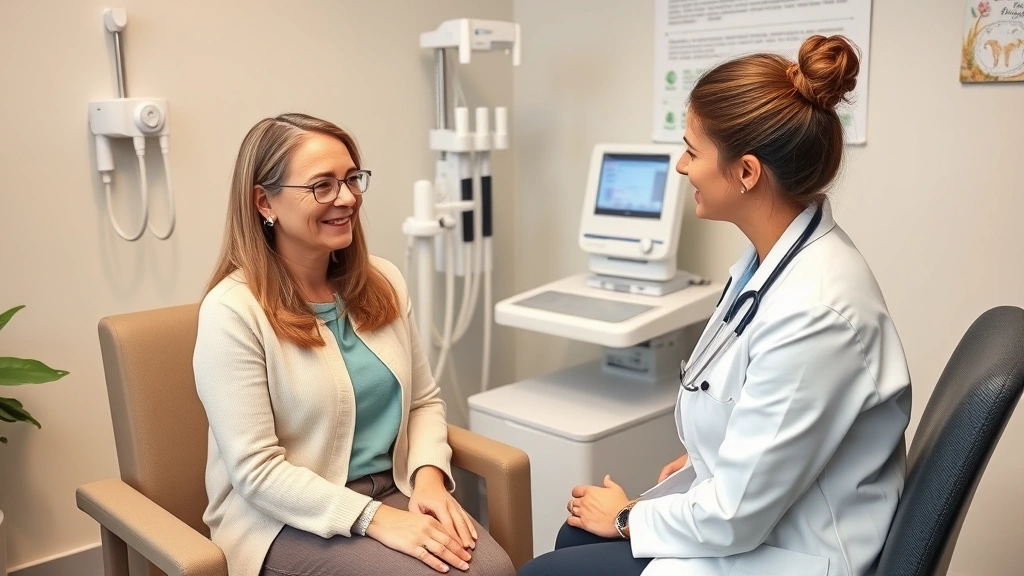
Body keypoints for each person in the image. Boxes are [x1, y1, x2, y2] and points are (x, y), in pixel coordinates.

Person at [518, 35, 912, 576]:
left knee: (545, 571)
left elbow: (733, 517)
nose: (681, 166)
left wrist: (630, 516)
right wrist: (702, 465)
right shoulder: (771, 262)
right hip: (763, 515)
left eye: (692, 150)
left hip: (795, 551)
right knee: (573, 535)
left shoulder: (815, 312)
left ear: (746, 172)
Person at [193, 113, 515, 576]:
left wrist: (429, 479)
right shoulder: (233, 312)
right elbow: (256, 471)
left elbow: (424, 402)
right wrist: (375, 519)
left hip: (394, 487)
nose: (346, 198)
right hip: (281, 521)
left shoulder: (382, 281)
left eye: (351, 179)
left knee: (495, 569)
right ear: (265, 201)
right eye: (322, 185)